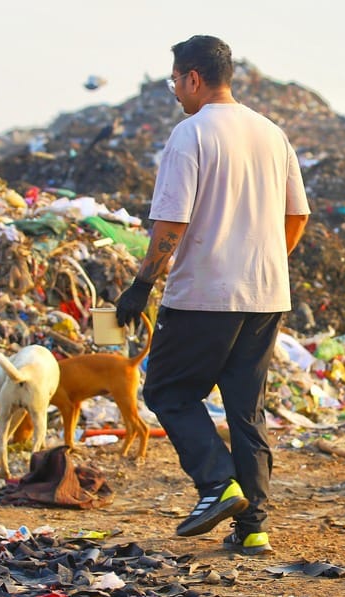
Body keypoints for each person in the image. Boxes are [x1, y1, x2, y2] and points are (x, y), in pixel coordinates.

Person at [115, 35, 311, 556]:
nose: (175, 90)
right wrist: (267, 261)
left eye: (176, 80)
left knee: (167, 391)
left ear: (194, 77)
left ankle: (217, 485)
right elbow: (298, 214)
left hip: (204, 296)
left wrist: (140, 285)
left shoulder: (191, 134)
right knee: (246, 408)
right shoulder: (273, 134)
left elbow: (170, 223)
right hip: (266, 294)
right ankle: (255, 527)